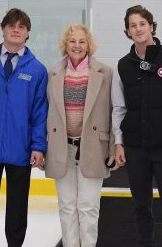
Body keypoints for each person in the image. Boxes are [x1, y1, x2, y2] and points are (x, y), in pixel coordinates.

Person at [112, 5, 162, 247]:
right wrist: (119, 142)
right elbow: (119, 108)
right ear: (127, 30)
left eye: (142, 24)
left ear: (151, 26)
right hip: (135, 148)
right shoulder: (123, 65)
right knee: (140, 206)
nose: (138, 29)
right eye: (133, 25)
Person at [0, 8, 48, 247]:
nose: (16, 30)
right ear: (3, 28)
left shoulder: (37, 69)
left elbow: (40, 112)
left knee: (17, 208)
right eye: (12, 25)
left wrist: (38, 146)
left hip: (20, 149)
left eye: (21, 27)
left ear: (28, 33)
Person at [45, 23, 115, 247]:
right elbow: (46, 111)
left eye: (82, 41)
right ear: (65, 44)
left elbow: (114, 111)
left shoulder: (105, 73)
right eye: (72, 41)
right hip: (62, 148)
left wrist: (114, 147)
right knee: (66, 207)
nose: (77, 45)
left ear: (89, 45)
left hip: (93, 148)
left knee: (88, 207)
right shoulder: (53, 73)